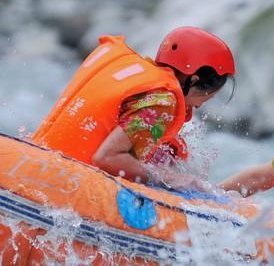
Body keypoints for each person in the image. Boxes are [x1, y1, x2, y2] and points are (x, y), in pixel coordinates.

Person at [32, 26, 272, 197]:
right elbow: (107, 158)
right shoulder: (162, 103)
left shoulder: (139, 76)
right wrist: (172, 181)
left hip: (41, 165)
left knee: (168, 153)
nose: (200, 105)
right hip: (62, 188)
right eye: (207, 96)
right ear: (194, 80)